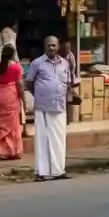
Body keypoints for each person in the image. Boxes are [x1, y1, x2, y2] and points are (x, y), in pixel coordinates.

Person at [25, 36, 76, 181]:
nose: (51, 48)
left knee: (59, 139)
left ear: (58, 46)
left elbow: (68, 82)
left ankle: (58, 171)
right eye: (49, 46)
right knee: (43, 139)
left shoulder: (65, 64)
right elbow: (28, 83)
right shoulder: (37, 63)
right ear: (44, 47)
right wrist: (41, 93)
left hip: (59, 106)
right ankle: (41, 172)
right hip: (43, 107)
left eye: (54, 45)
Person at [0, 44, 25, 161]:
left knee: (0, 125)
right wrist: (24, 100)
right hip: (10, 96)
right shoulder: (16, 67)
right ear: (13, 55)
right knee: (12, 126)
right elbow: (20, 85)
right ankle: (11, 151)